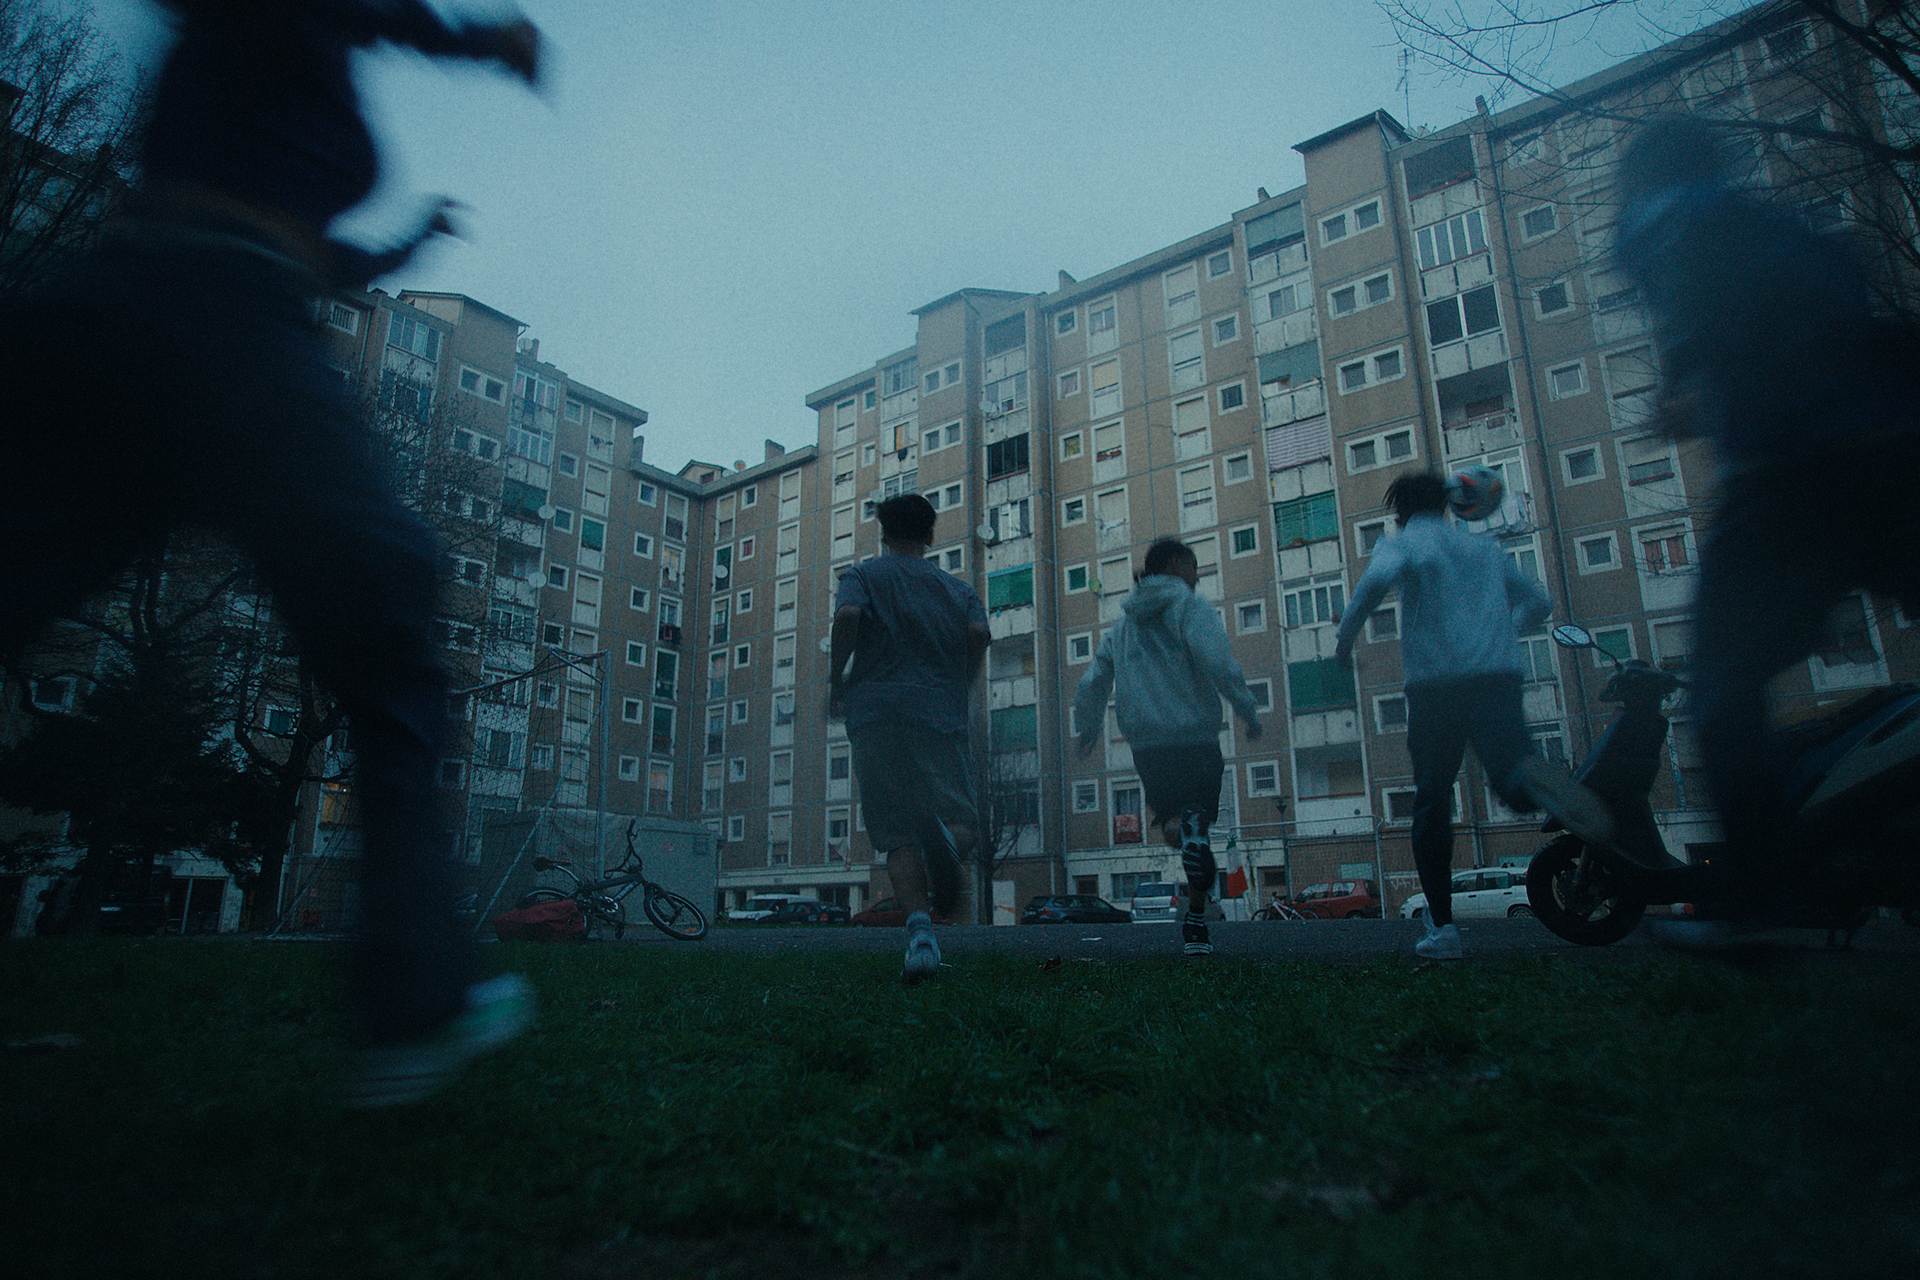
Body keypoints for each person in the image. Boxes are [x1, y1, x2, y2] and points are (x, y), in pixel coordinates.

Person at [0, 1, 546, 1105]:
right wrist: (477, 39)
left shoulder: (263, 82)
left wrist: (407, 245)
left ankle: (415, 998)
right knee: (392, 626)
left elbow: (308, 252)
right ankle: (414, 1002)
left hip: (132, 306)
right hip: (227, 327)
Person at [1615, 116, 1920, 908]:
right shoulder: (1788, 228)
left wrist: (1688, 368)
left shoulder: (1668, 222)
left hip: (1788, 479)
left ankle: (1758, 896)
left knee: (1719, 691)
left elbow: (1695, 283)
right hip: (1896, 453)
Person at [1333, 474, 1615, 960]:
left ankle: (1443, 930)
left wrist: (1342, 644)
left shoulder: (1404, 545)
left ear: (1399, 510)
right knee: (1512, 781)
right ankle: (1531, 774)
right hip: (1496, 678)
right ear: (1447, 506)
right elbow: (1540, 603)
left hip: (1436, 685)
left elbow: (1372, 587)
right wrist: (1502, 631)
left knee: (1432, 802)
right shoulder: (1484, 551)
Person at [1072, 538, 1263, 958]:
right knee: (1198, 819)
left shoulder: (1122, 626)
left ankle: (1184, 830)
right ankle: (1196, 921)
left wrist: (1086, 727)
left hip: (1148, 746)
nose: (1197, 576)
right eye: (1194, 567)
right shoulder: (1191, 608)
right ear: (1177, 565)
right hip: (1195, 736)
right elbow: (1219, 662)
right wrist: (1247, 710)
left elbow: (1093, 681)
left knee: (1173, 821)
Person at [828, 495, 990, 983]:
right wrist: (962, 679)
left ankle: (920, 937)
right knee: (962, 820)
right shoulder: (956, 590)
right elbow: (979, 634)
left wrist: (837, 679)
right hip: (937, 715)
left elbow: (849, 618)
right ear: (931, 535)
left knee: (894, 832)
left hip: (875, 715)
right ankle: (941, 839)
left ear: (882, 533)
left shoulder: (862, 576)